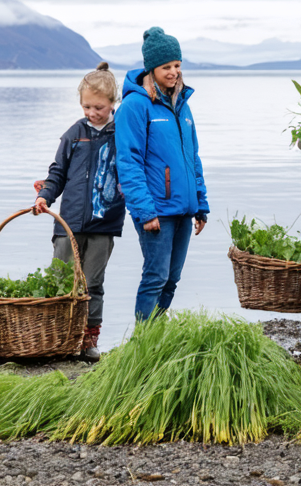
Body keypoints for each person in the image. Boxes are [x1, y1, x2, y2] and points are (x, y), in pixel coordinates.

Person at [115, 27, 209, 322]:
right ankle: (143, 340)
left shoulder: (182, 106)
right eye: (166, 66)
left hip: (184, 208)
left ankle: (156, 335)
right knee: (155, 276)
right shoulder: (135, 105)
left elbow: (193, 158)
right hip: (155, 210)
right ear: (152, 68)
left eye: (177, 65)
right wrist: (145, 211)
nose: (174, 72)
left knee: (172, 279)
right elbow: (128, 163)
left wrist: (201, 203)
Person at [34, 62, 125, 361]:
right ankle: (57, 337)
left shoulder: (122, 134)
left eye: (99, 107)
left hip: (105, 223)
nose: (92, 113)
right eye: (86, 106)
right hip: (68, 223)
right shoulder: (74, 133)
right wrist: (45, 196)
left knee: (93, 283)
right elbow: (57, 173)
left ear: (113, 103)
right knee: (60, 280)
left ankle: (89, 340)